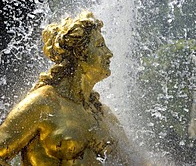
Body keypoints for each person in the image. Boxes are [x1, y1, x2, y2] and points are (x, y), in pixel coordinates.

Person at [0, 11, 151, 165]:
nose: (109, 53)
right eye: (100, 45)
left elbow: (137, 163)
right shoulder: (44, 103)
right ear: (80, 52)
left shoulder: (103, 115)